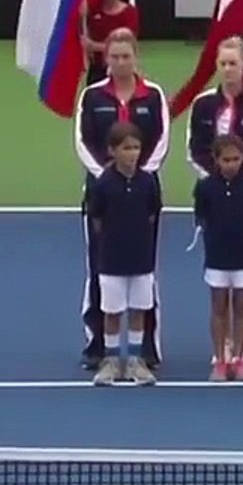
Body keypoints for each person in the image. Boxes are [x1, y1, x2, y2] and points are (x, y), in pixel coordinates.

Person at [75, 28, 168, 371]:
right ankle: (98, 343)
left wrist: (138, 175)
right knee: (99, 268)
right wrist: (109, 178)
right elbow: (83, 142)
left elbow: (161, 140)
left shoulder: (153, 96)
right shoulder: (93, 97)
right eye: (113, 57)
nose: (120, 62)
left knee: (145, 268)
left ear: (135, 57)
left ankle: (147, 347)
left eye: (125, 56)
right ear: (106, 60)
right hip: (103, 193)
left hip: (143, 194)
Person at [185, 36, 243, 367]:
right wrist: (216, 180)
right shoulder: (202, 106)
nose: (228, 69)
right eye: (222, 64)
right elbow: (194, 149)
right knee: (219, 271)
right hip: (216, 200)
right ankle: (223, 342)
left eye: (233, 63)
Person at [87, 122, 163, 386]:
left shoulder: (147, 182)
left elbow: (152, 213)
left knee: (139, 309)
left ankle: (134, 360)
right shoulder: (103, 184)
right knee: (112, 311)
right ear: (112, 151)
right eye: (126, 148)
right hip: (111, 260)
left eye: (136, 147)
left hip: (141, 259)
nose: (132, 153)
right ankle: (110, 361)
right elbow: (97, 219)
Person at [193, 134, 243, 382]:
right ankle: (220, 360)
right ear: (216, 160)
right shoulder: (205, 188)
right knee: (218, 307)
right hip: (217, 257)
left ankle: (238, 359)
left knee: (241, 308)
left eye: (236, 159)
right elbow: (202, 218)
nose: (231, 164)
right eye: (226, 159)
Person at [81, 0, 140, 88]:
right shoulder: (93, 11)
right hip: (97, 69)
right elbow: (84, 34)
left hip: (120, 67)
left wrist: (95, 46)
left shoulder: (129, 13)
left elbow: (129, 43)